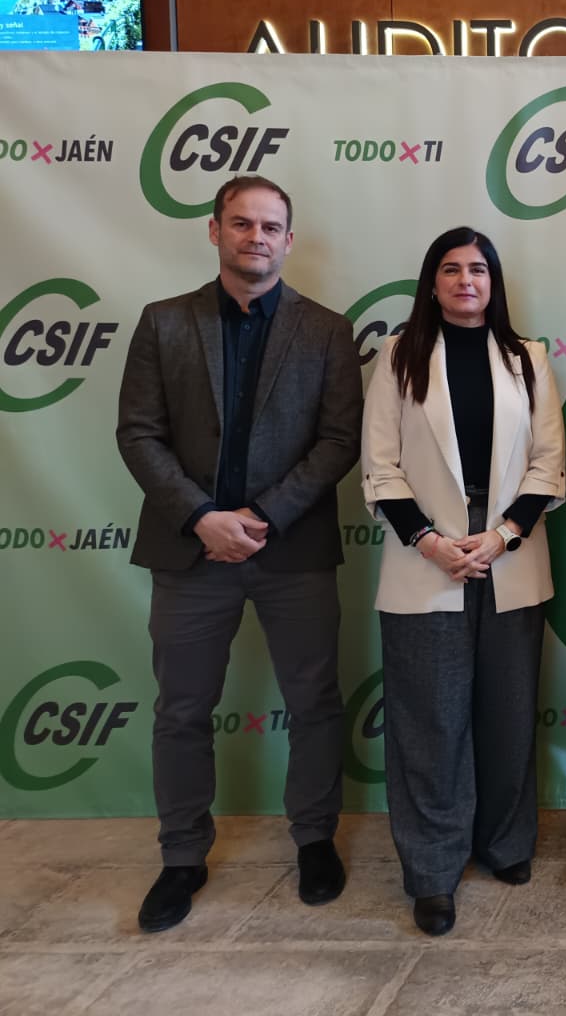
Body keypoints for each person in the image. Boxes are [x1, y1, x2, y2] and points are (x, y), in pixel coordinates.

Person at [116, 175, 361, 933]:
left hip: (292, 549)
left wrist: (262, 515)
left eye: (271, 226)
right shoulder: (164, 322)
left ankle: (314, 839)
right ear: (214, 230)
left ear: (289, 240)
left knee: (314, 704)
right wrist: (201, 517)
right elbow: (138, 434)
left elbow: (339, 441)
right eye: (243, 223)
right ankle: (182, 856)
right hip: (191, 552)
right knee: (182, 711)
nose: (257, 237)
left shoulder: (327, 330)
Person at [361, 227, 566, 935]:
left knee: (507, 713)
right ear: (432, 282)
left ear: (493, 282)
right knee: (430, 720)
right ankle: (432, 870)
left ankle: (504, 843)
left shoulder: (527, 358)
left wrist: (503, 535)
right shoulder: (398, 356)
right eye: (450, 269)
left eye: (478, 269)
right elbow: (380, 466)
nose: (465, 280)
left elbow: (548, 464)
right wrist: (428, 540)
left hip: (510, 553)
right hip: (426, 557)